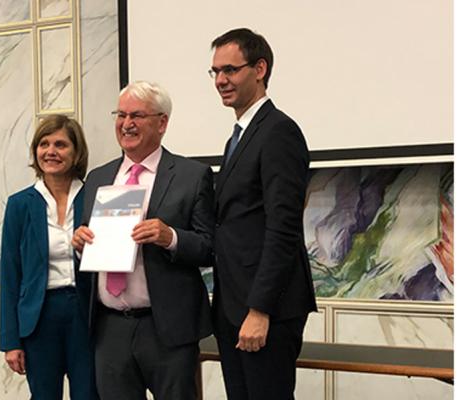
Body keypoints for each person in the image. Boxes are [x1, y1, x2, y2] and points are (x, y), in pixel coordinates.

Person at [71, 81, 214, 400]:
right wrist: (80, 241)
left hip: (166, 328)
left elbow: (209, 247)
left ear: (162, 123)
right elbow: (86, 240)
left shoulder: (192, 175)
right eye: (120, 115)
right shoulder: (98, 178)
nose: (126, 123)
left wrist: (171, 237)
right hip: (110, 328)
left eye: (137, 115)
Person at [209, 28, 318, 400]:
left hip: (264, 311)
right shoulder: (238, 136)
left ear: (259, 68)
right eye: (215, 72)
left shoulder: (278, 132)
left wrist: (260, 310)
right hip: (232, 306)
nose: (221, 80)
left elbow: (284, 228)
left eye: (230, 70)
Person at [0, 114, 97, 399]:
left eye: (61, 144)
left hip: (86, 315)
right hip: (39, 319)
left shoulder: (95, 195)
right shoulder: (19, 205)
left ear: (76, 152)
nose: (51, 151)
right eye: (44, 144)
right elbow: (10, 274)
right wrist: (10, 341)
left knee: (89, 394)